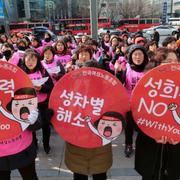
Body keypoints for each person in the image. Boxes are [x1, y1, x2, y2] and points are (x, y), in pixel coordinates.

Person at [135, 47, 180, 180]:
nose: (172, 63)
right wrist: (151, 133)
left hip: (175, 147)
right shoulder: (147, 83)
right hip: (150, 145)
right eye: (167, 60)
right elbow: (136, 116)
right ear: (158, 63)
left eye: (174, 60)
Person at [114, 44, 149, 157]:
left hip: (145, 104)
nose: (138, 57)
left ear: (144, 56)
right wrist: (118, 72)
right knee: (129, 127)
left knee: (143, 127)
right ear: (130, 57)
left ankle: (143, 146)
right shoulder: (127, 69)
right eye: (135, 54)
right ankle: (128, 145)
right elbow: (119, 84)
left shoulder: (149, 69)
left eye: (140, 54)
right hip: (130, 104)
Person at [0, 87, 41, 180]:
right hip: (1, 156)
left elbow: (37, 124)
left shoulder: (18, 82)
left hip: (23, 149)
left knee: (30, 176)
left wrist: (32, 120)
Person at [20, 49, 54, 154]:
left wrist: (42, 88)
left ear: (37, 61)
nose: (30, 62)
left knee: (45, 125)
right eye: (28, 59)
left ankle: (46, 145)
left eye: (33, 60)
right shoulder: (21, 72)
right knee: (31, 125)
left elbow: (51, 86)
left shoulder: (43, 71)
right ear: (24, 60)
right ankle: (34, 143)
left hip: (43, 103)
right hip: (28, 105)